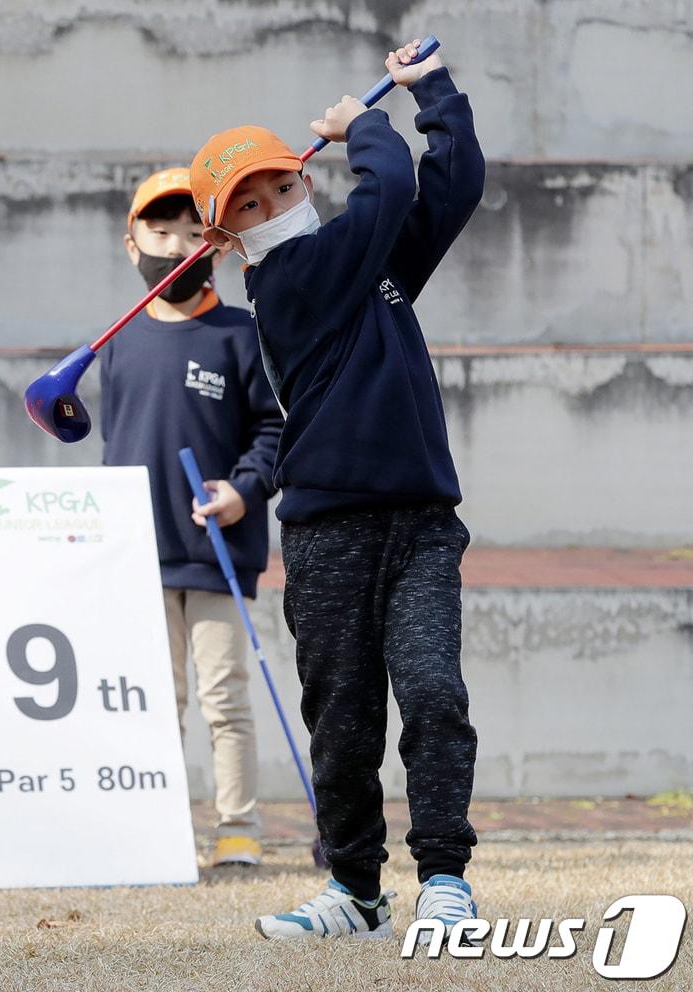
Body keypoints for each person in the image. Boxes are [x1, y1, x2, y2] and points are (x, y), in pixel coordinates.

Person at [188, 40, 484, 938]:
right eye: (248, 204)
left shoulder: (370, 264)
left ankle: (444, 878)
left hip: (422, 524)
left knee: (434, 695)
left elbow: (452, 187)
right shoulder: (286, 282)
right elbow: (388, 188)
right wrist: (365, 124)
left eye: (280, 185)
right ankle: (355, 889)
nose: (274, 204)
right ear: (225, 238)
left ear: (304, 184)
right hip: (326, 536)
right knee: (344, 722)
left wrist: (431, 92)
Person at [100, 167, 283, 867]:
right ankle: (159, 831)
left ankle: (238, 827)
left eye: (189, 234)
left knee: (223, 696)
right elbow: (114, 442)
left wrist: (242, 490)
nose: (174, 247)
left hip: (215, 553)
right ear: (131, 243)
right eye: (159, 231)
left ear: (214, 243)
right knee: (155, 701)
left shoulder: (239, 334)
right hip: (138, 559)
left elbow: (274, 432)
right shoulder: (116, 342)